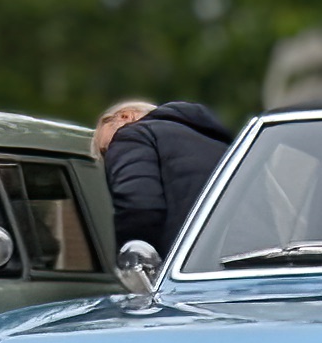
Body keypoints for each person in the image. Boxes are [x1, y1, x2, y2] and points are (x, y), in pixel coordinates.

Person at [92, 99, 233, 257]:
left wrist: (131, 258)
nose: (110, 157)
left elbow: (140, 210)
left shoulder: (132, 135)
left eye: (107, 149)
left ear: (126, 116)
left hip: (192, 260)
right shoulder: (222, 144)